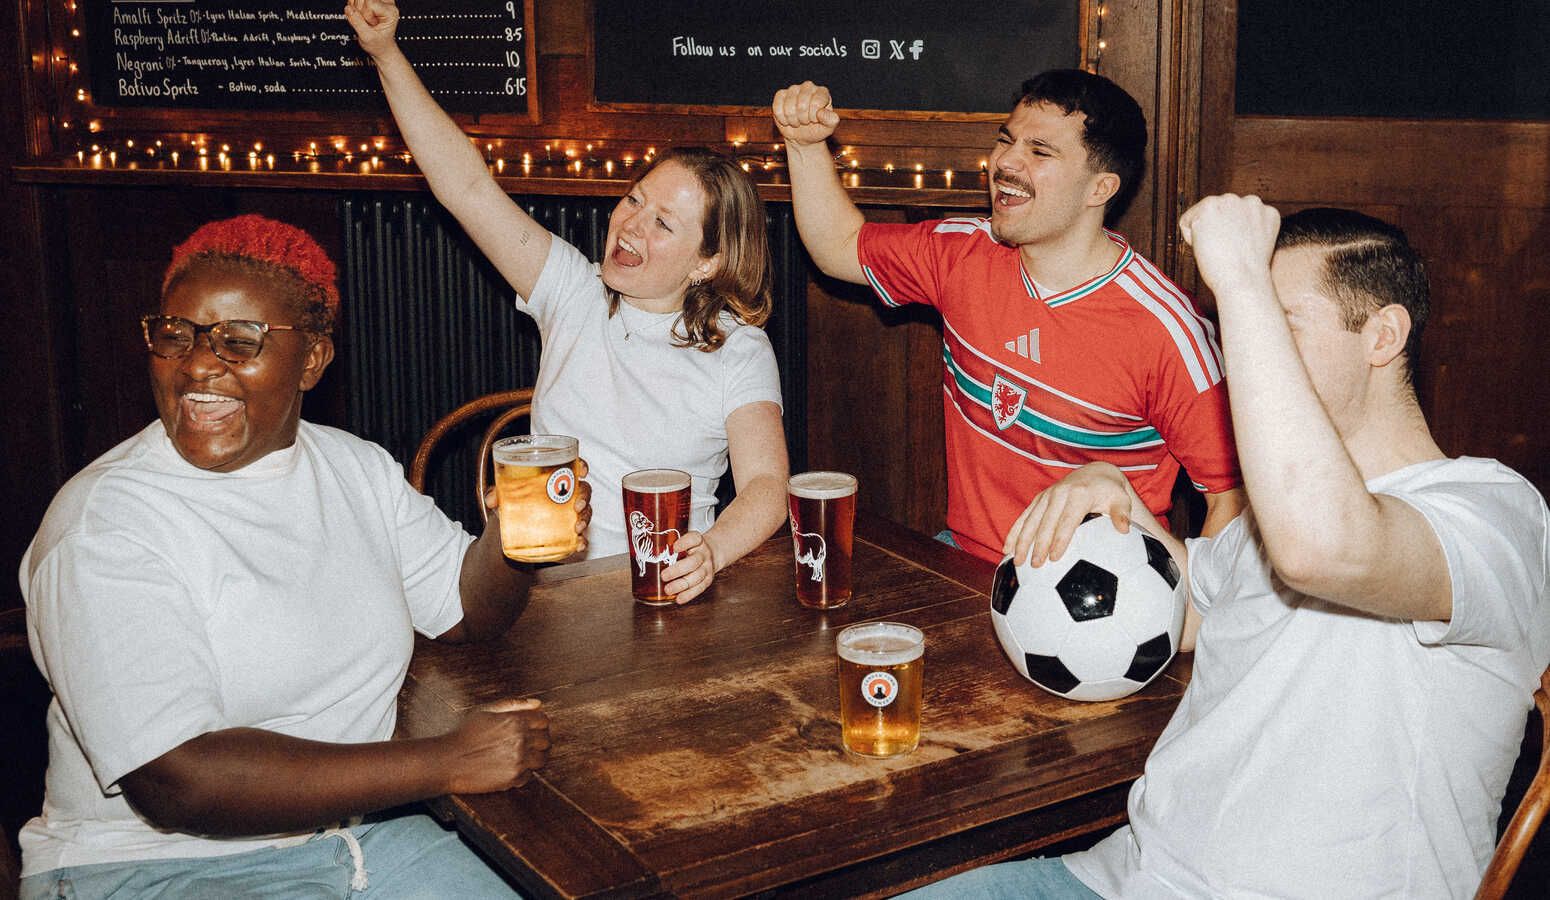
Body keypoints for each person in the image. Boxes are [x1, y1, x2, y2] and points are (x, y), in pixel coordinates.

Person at [918, 197, 1550, 897]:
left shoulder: (1495, 515)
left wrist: (1244, 282)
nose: (1246, 356)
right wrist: (1115, 488)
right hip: (1127, 875)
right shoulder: (1270, 516)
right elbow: (1186, 605)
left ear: (1382, 337)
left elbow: (1325, 550)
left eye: (1278, 324)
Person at [18, 215, 590, 898]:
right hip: (148, 867)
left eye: (239, 339)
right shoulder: (105, 526)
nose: (198, 364)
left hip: (354, 840)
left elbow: (465, 611)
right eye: (175, 335)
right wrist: (447, 762)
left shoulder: (355, 469)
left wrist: (509, 540)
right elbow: (176, 781)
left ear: (312, 360)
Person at [345, 0, 789, 603]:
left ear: (707, 261)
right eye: (634, 200)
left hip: (665, 586)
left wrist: (711, 551)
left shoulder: (738, 347)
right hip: (548, 588)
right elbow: (466, 187)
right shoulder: (573, 289)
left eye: (663, 223)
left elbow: (766, 484)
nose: (631, 225)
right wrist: (386, 54)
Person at [772, 73, 1244, 563]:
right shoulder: (963, 253)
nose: (1006, 162)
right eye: (1006, 140)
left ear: (1100, 188)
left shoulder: (1168, 328)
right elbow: (840, 247)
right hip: (966, 560)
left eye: (1039, 151)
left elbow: (1230, 500)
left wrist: (1196, 605)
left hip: (1099, 593)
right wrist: (805, 146)